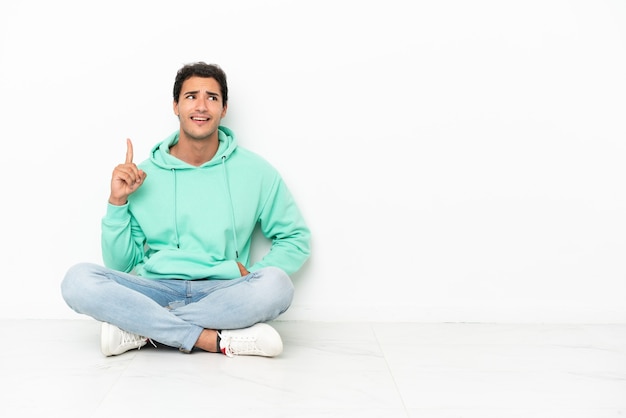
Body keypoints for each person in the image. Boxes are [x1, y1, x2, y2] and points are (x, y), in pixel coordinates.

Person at [61, 62, 311, 358]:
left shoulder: (256, 172)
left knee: (277, 286)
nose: (201, 106)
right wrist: (118, 202)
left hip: (224, 290)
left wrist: (251, 276)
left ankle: (142, 329)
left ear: (224, 108)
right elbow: (120, 265)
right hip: (155, 287)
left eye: (212, 98)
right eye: (191, 96)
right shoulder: (143, 175)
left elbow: (295, 239)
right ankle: (212, 340)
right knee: (77, 280)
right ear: (176, 106)